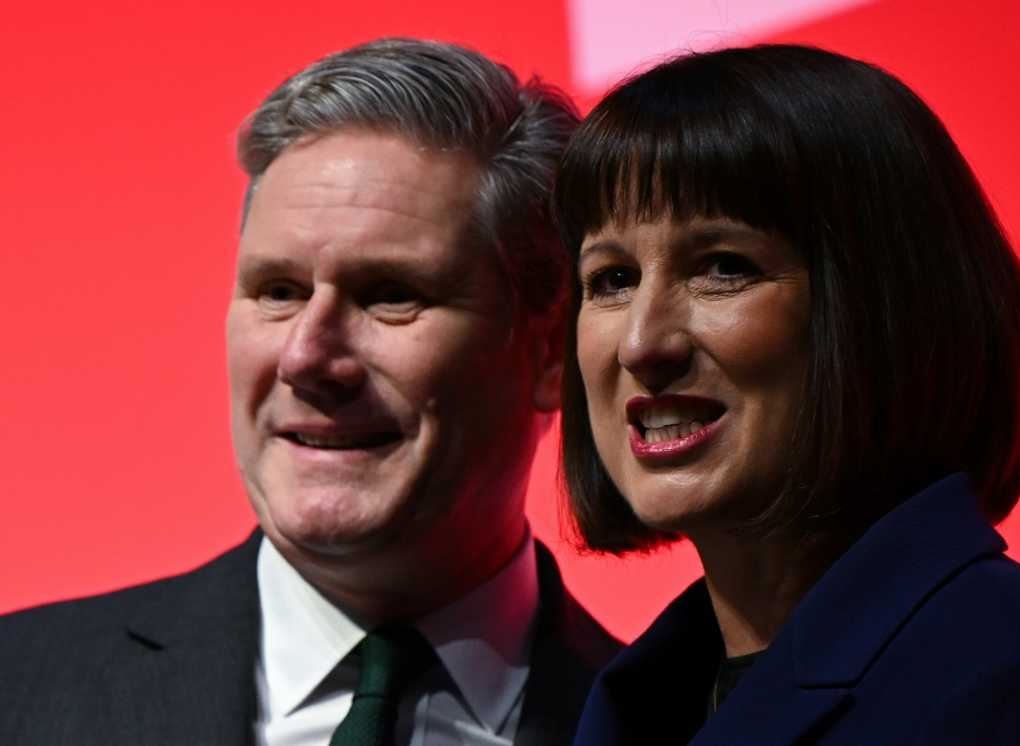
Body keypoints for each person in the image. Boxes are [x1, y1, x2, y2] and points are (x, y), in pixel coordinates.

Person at [0, 38, 619, 745]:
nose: (307, 355)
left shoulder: (690, 727)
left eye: (390, 295)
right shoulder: (17, 692)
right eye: (279, 292)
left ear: (549, 352)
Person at [554, 45, 1020, 745]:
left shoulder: (1016, 680)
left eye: (724, 268)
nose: (642, 343)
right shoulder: (640, 701)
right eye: (611, 279)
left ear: (884, 308)